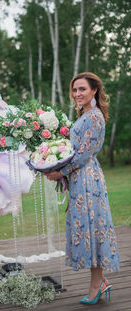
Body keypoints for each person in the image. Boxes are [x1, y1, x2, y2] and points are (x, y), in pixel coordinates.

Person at [44, 72, 120, 304]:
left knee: (92, 229)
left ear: (94, 91)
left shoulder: (94, 117)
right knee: (89, 228)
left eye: (82, 89)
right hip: (80, 179)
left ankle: (96, 284)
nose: (77, 94)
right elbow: (74, 150)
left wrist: (60, 172)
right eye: (75, 90)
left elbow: (84, 154)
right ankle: (100, 282)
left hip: (87, 179)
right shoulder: (84, 115)